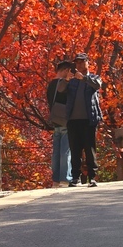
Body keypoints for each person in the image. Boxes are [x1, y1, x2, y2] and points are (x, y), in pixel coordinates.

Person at [58, 52, 103, 187]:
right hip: (73, 120)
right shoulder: (71, 81)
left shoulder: (94, 78)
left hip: (89, 119)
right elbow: (60, 89)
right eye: (77, 62)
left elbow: (97, 85)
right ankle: (75, 177)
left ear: (88, 62)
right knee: (75, 149)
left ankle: (92, 177)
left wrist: (83, 78)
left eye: (82, 62)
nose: (79, 64)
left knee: (90, 149)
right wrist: (66, 79)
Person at [47, 60, 74, 187]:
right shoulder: (64, 84)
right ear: (65, 71)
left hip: (55, 120)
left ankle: (55, 180)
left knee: (56, 152)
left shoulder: (51, 85)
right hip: (65, 121)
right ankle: (65, 178)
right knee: (65, 151)